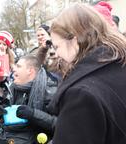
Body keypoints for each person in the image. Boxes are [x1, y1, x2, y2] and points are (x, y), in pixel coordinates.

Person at [47, 3, 126, 144]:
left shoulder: (81, 96)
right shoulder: (118, 64)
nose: (56, 53)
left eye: (57, 46)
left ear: (75, 40)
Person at [0, 55, 57, 144]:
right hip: (9, 138)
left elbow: (58, 124)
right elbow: (7, 119)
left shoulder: (49, 91)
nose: (14, 69)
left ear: (30, 71)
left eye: (19, 66)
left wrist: (33, 114)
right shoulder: (14, 87)